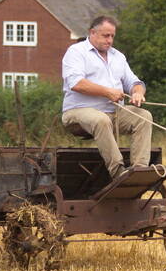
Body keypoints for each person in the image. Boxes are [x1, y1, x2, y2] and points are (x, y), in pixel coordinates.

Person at [62, 15, 153, 179]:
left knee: (144, 117)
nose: (110, 40)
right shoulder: (76, 52)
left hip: (114, 113)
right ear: (92, 32)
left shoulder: (118, 56)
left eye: (112, 36)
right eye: (105, 35)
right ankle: (119, 173)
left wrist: (138, 92)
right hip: (77, 112)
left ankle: (139, 172)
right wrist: (108, 92)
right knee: (101, 119)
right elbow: (76, 83)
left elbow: (134, 81)